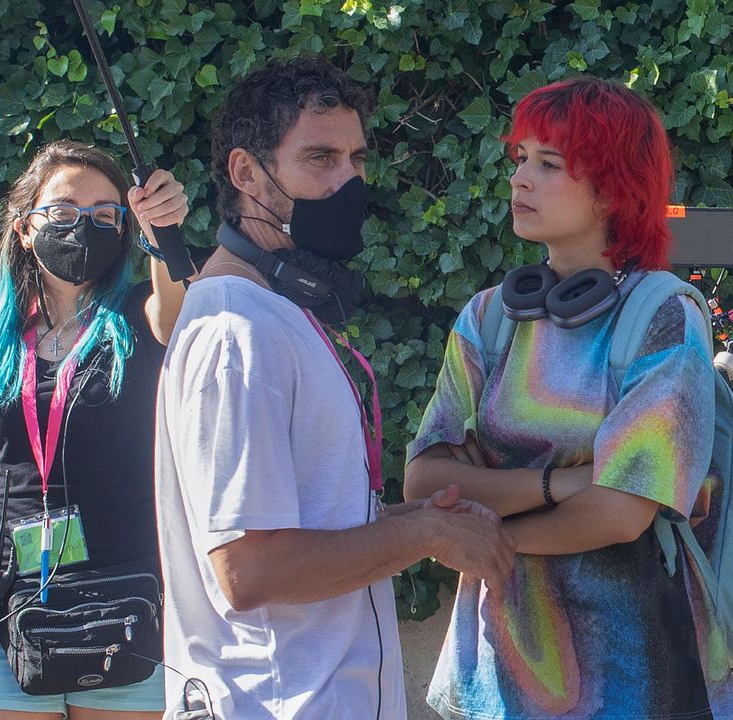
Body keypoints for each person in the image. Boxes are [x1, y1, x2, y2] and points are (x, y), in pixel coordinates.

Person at [154, 56, 516, 720]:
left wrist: (419, 522)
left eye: (356, 158)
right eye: (320, 158)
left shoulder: (272, 315)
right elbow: (249, 570)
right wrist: (424, 536)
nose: (348, 180)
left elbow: (301, 529)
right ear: (245, 172)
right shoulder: (239, 334)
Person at [404, 76, 733, 719]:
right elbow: (424, 481)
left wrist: (478, 530)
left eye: (549, 164)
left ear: (615, 188)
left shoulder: (664, 317)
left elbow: (620, 516)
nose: (520, 179)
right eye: (521, 159)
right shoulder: (487, 318)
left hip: (633, 669)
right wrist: (563, 486)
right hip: (496, 676)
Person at [0, 139, 190, 720]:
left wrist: (164, 232)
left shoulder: (143, 318)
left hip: (123, 610)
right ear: (23, 229)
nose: (82, 228)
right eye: (62, 213)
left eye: (104, 216)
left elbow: (177, 315)